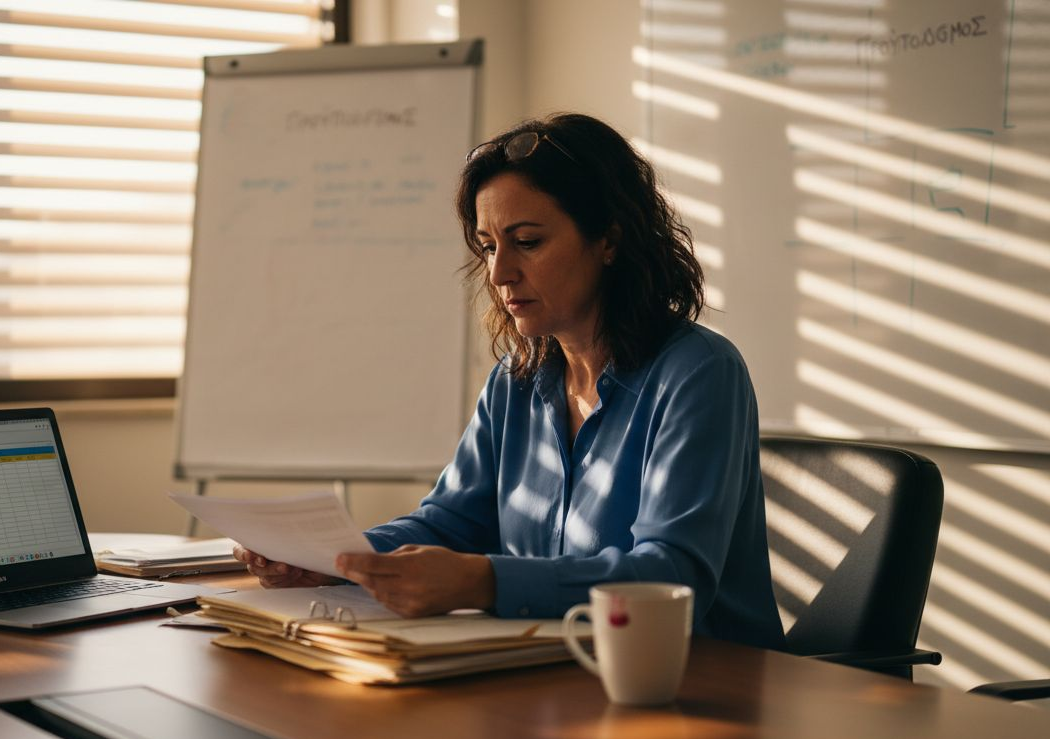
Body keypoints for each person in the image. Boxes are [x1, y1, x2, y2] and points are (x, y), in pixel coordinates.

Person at [234, 112, 785, 650]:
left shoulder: (699, 373)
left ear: (610, 240)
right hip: (549, 675)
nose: (499, 274)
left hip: (700, 683)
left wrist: (484, 582)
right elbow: (450, 523)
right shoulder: (516, 381)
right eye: (489, 246)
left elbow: (671, 576)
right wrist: (330, 561)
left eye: (527, 241)